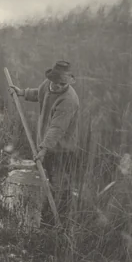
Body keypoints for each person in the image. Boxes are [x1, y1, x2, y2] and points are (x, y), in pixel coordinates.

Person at [9, 60, 80, 220]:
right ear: (52, 79)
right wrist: (22, 93)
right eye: (56, 82)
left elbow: (57, 129)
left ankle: (58, 219)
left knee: (60, 185)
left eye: (63, 84)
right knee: (49, 179)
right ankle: (50, 214)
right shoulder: (47, 84)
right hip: (47, 144)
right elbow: (39, 93)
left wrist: (43, 149)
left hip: (63, 148)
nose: (58, 86)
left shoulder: (68, 100)